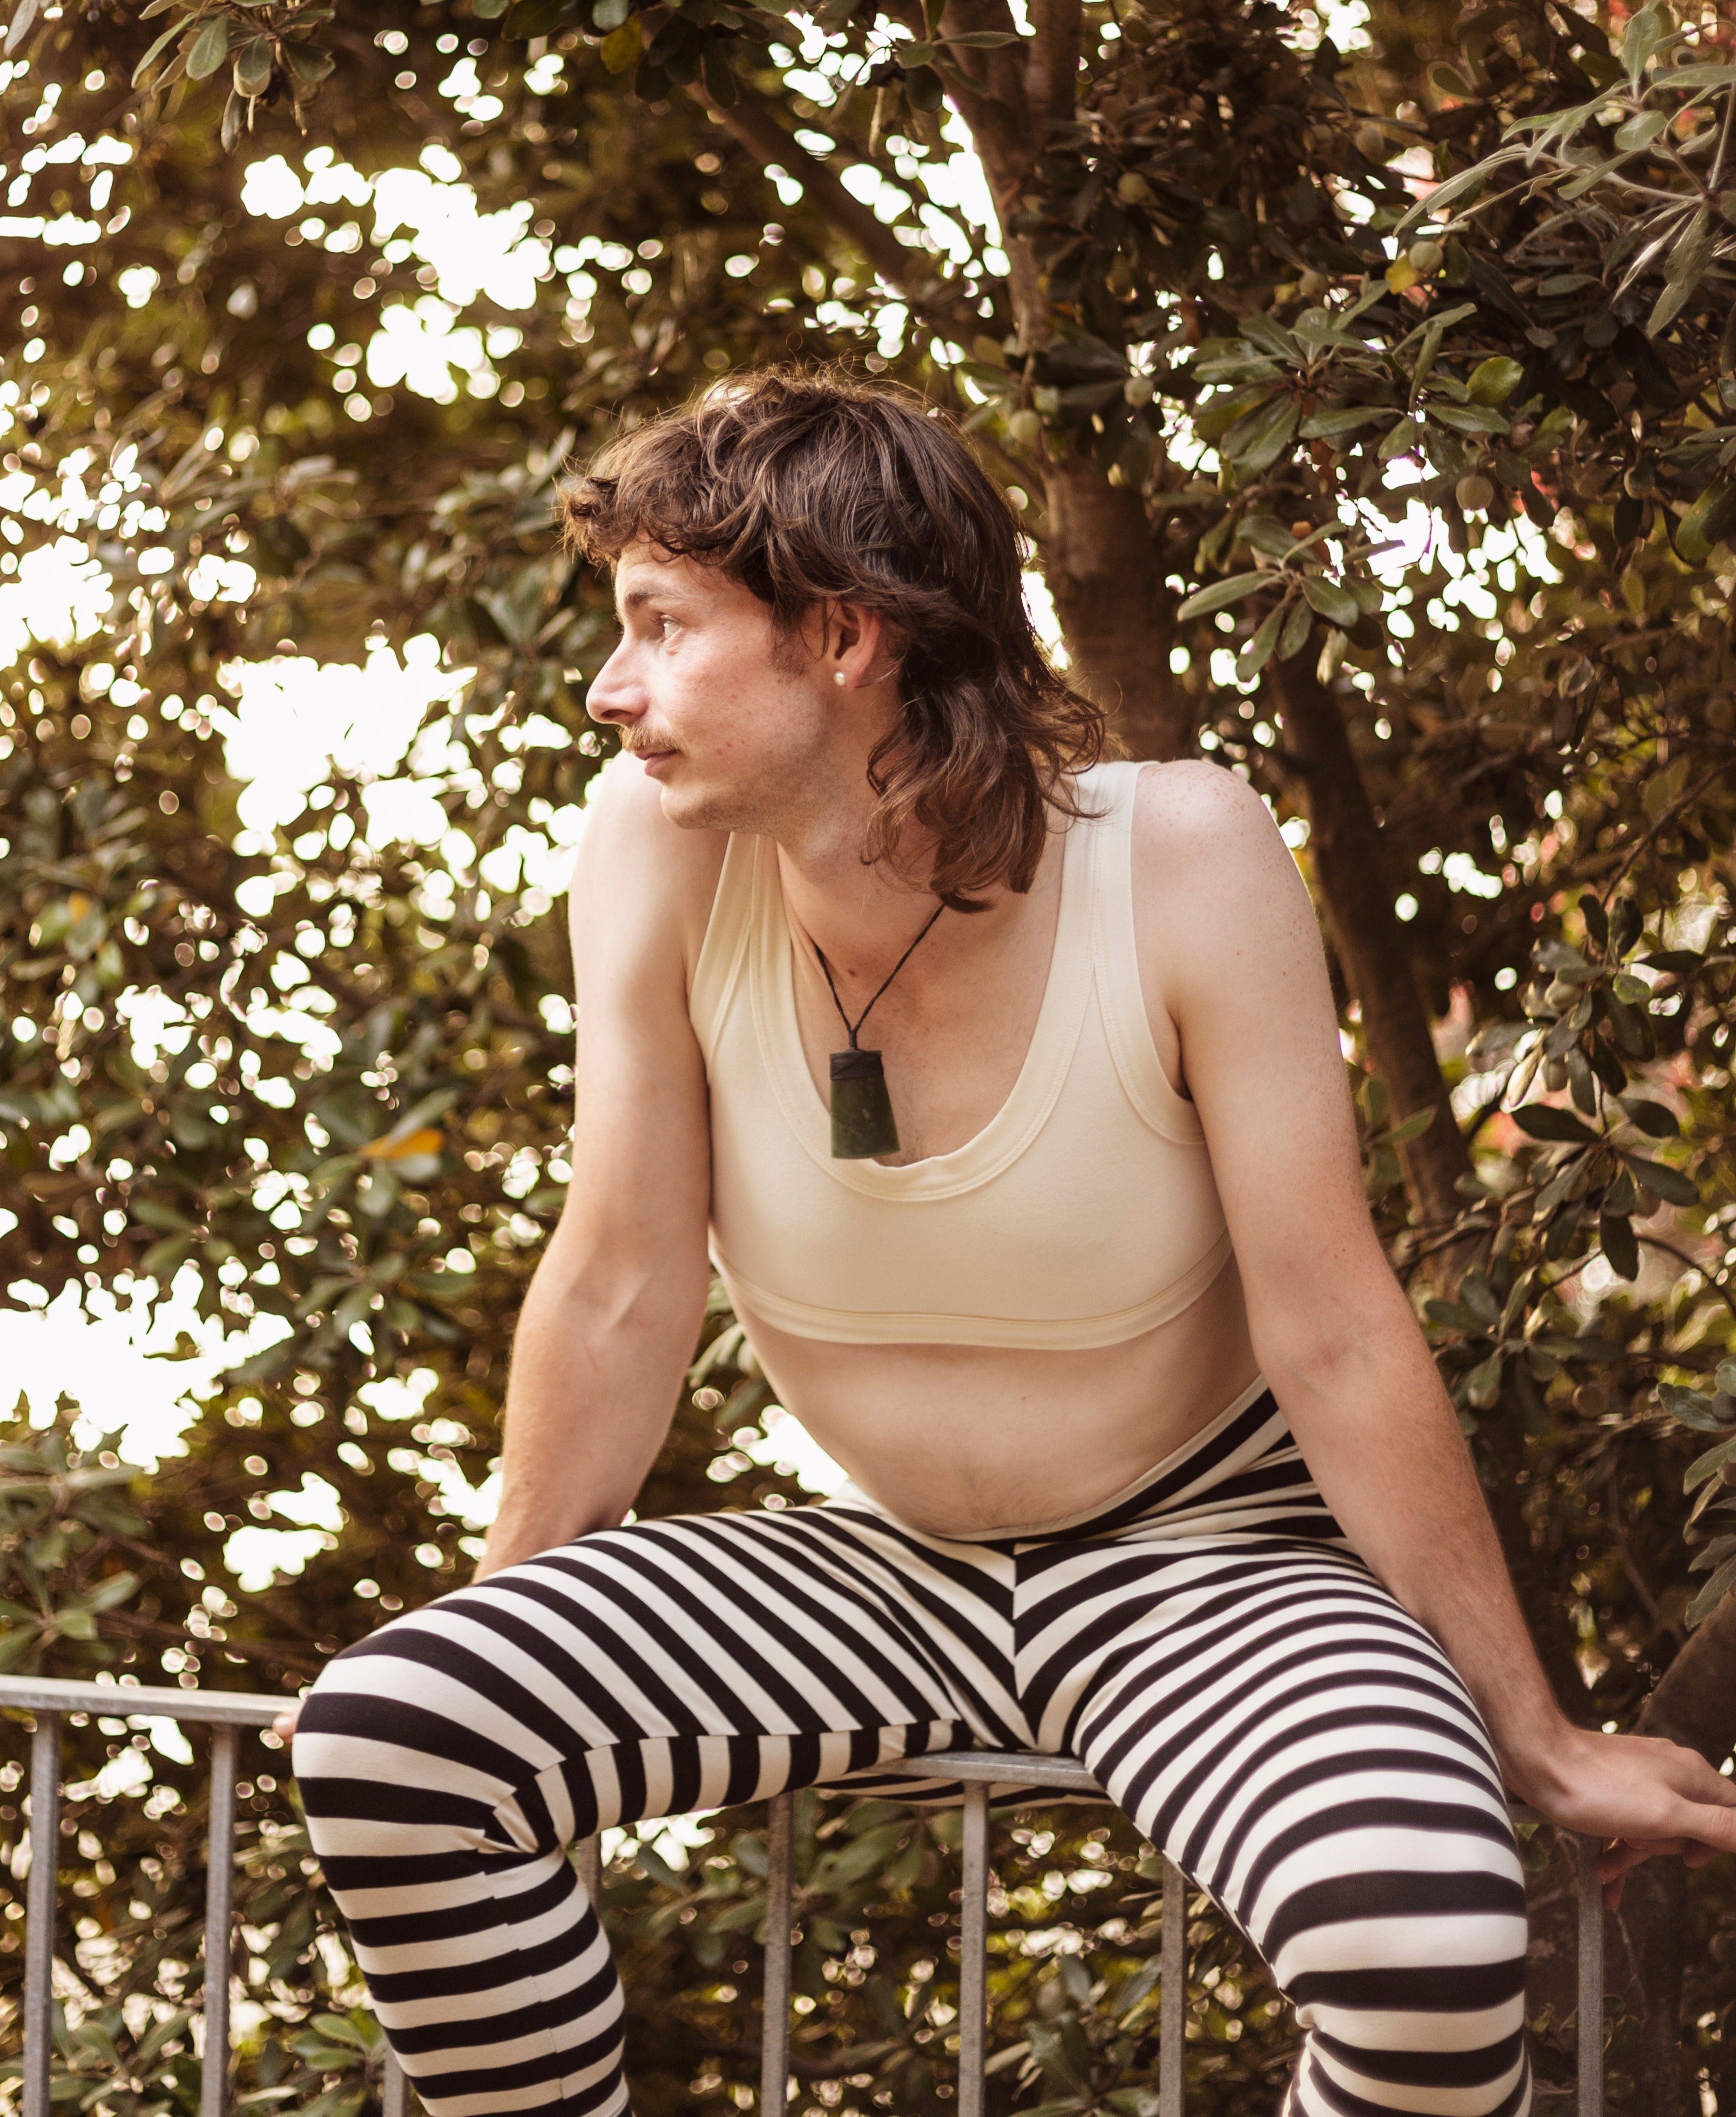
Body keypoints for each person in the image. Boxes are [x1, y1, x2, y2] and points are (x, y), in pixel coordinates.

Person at [289, 369, 1736, 2117]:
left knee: (1418, 1943)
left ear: (840, 635)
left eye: (662, 628)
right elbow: (615, 1284)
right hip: (886, 1573)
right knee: (391, 1740)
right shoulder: (655, 857)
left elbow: (1337, 1333)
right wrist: (497, 1648)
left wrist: (1536, 1732)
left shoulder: (1174, 856)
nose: (613, 691)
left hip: (1215, 1571)